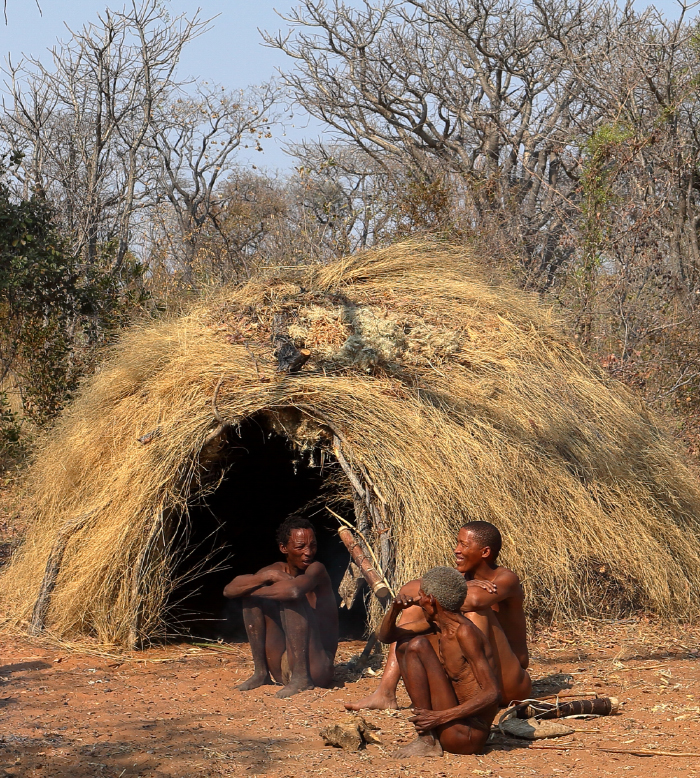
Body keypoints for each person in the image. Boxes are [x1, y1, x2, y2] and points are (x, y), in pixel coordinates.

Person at [346, 520, 530, 710]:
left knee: (474, 612)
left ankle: (477, 697)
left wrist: (445, 590)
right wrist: (462, 586)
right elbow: (408, 590)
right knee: (415, 607)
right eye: (457, 543)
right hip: (467, 680)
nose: (456, 550)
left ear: (485, 552)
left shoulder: (506, 578)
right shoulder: (461, 580)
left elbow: (475, 601)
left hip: (508, 681)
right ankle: (385, 693)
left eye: (464, 545)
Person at [378, 566, 501, 757]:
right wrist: (394, 610)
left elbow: (493, 693)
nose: (418, 602)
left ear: (431, 600)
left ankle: (427, 740)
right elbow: (387, 637)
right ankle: (427, 738)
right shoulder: (438, 625)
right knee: (404, 646)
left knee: (418, 645)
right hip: (450, 725)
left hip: (467, 736)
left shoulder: (465, 632)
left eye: (421, 596)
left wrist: (439, 717)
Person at [223, 516, 338, 698]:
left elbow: (293, 592)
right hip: (282, 664)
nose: (308, 552)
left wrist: (250, 591)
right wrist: (265, 576)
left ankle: (301, 679)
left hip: (317, 666)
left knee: (288, 598)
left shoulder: (317, 569)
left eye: (313, 545)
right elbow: (230, 589)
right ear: (284, 548)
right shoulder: (276, 569)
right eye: (300, 547)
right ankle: (261, 672)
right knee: (253, 597)